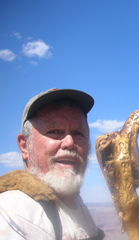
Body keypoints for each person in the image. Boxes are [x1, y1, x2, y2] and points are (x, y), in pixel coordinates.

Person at [0, 88, 104, 239]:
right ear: (24, 145)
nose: (69, 142)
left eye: (78, 133)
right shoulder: (11, 213)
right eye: (54, 131)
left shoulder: (75, 202)